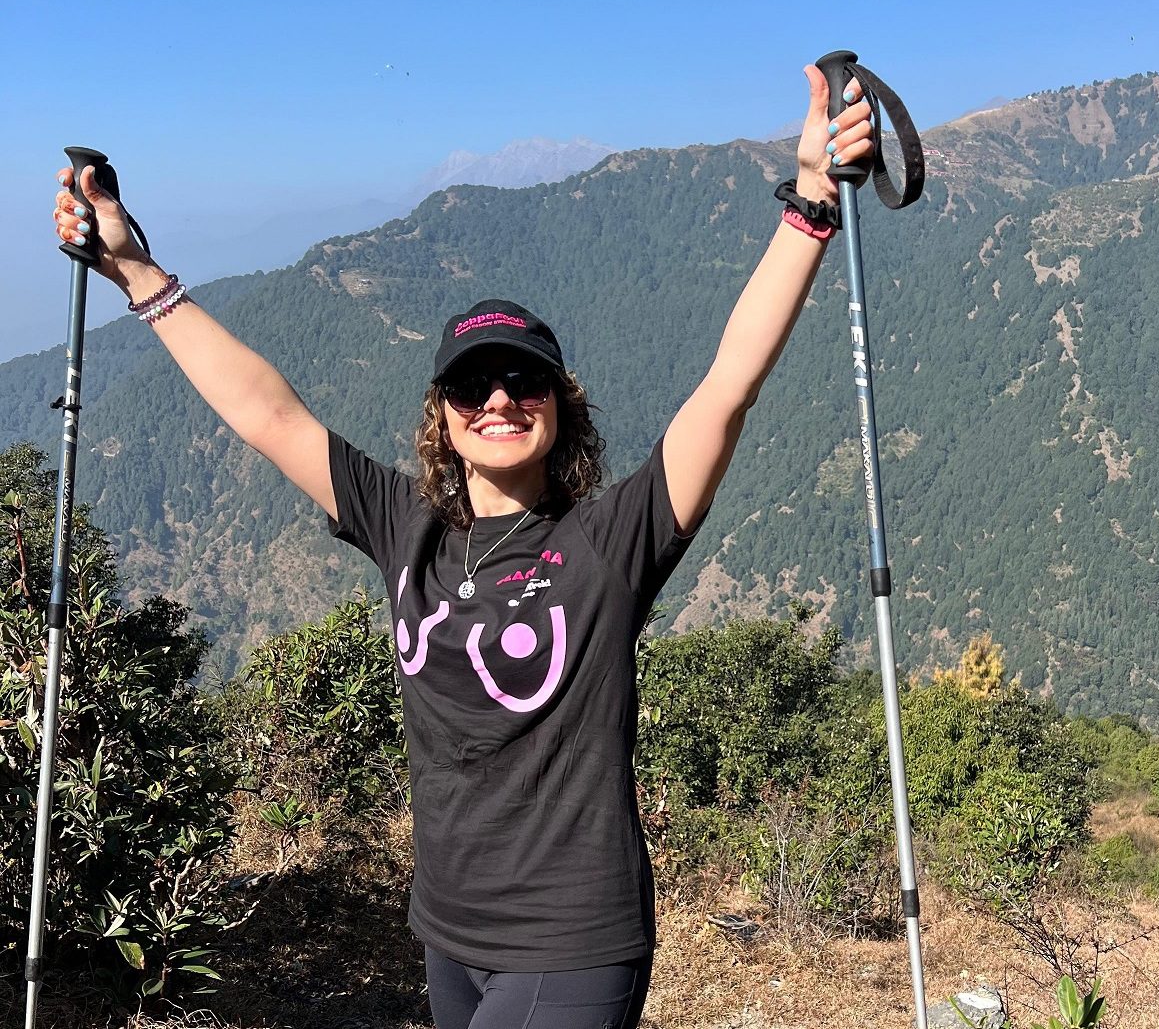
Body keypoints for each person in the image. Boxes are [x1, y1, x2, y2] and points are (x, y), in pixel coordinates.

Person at [50, 66, 872, 1029]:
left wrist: (810, 203)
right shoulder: (408, 528)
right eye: (472, 383)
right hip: (448, 933)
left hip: (571, 939)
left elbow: (728, 385)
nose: (498, 399)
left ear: (562, 407)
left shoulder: (608, 543)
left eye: (524, 379)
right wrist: (136, 272)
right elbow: (265, 412)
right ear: (442, 414)